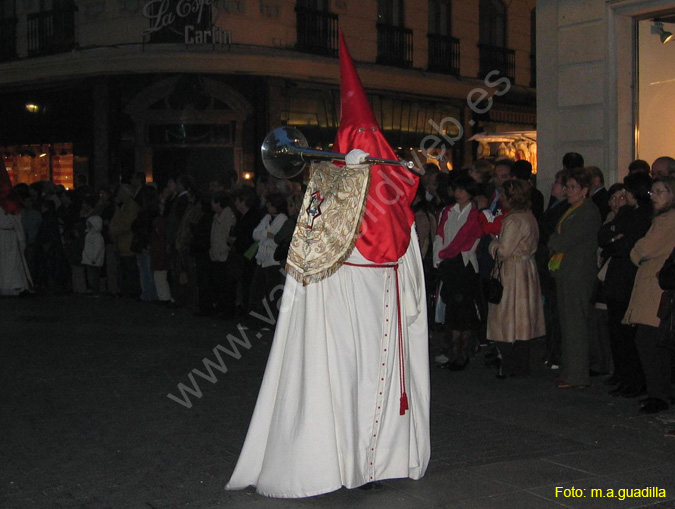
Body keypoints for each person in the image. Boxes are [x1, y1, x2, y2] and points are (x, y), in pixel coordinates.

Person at [226, 31, 430, 497]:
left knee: (373, 380)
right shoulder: (327, 178)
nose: (355, 142)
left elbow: (395, 230)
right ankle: (343, 463)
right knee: (342, 380)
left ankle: (378, 462)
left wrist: (386, 174)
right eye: (350, 137)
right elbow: (316, 236)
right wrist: (348, 179)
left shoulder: (389, 175)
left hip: (379, 293)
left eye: (363, 137)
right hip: (339, 295)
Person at [623, 176, 675, 414]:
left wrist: (637, 251)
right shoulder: (662, 219)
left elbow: (643, 249)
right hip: (652, 284)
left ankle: (659, 394)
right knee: (654, 343)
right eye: (652, 192)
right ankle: (659, 391)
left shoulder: (668, 220)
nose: (653, 196)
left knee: (649, 342)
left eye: (659, 192)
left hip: (657, 287)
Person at [548, 168, 602, 389]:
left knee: (575, 325)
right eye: (567, 187)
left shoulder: (588, 212)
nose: (567, 191)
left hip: (578, 274)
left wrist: (555, 240)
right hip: (567, 271)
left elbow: (560, 241)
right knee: (568, 323)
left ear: (584, 190)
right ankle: (570, 370)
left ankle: (577, 375)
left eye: (572, 188)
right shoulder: (573, 209)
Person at [599, 174, 652, 398]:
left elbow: (629, 246)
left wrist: (615, 241)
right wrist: (614, 239)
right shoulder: (628, 212)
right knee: (616, 331)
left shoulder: (644, 215)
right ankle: (622, 375)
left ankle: (634, 379)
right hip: (616, 276)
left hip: (629, 277)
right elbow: (603, 236)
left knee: (627, 333)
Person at [487, 179, 545, 377]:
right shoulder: (529, 216)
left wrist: (493, 244)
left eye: (503, 195)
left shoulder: (513, 220)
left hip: (513, 271)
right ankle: (521, 364)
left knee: (507, 317)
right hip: (526, 268)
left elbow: (503, 251)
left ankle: (511, 365)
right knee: (523, 318)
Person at [433, 175, 484, 370]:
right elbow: (440, 234)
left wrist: (445, 254)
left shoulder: (475, 214)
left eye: (462, 190)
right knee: (452, 312)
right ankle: (454, 353)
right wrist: (439, 258)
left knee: (465, 312)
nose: (458, 194)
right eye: (456, 190)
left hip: (464, 264)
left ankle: (463, 354)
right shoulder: (447, 211)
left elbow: (468, 240)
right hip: (449, 264)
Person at [0, 161, 32, 295]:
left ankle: (14, 286)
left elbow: (17, 225)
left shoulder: (13, 208)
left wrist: (21, 240)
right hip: (6, 237)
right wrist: (22, 240)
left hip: (8, 237)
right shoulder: (13, 207)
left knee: (10, 263)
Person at [81, 215, 105, 296]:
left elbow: (98, 248)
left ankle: (96, 292)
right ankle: (94, 291)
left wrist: (94, 258)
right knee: (91, 277)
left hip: (93, 260)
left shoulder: (97, 236)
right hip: (89, 259)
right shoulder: (89, 234)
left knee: (93, 277)